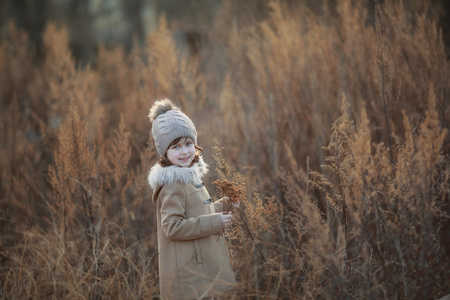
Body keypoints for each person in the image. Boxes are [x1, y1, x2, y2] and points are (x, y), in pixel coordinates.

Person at [147, 99, 237, 300]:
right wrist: (215, 222)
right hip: (189, 274)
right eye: (176, 147)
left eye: (188, 144)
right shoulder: (172, 185)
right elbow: (173, 226)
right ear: (165, 152)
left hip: (199, 267)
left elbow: (196, 213)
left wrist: (224, 204)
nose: (185, 151)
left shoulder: (188, 176)